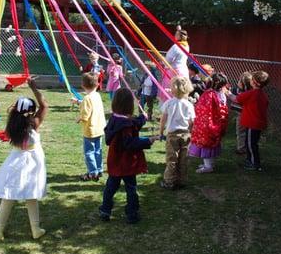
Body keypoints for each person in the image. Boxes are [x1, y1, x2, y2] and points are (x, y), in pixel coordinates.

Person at [0, 77, 48, 240]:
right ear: (31, 112)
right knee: (31, 195)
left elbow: (14, 112)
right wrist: (34, 87)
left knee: (9, 195)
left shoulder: (12, 126)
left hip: (16, 162)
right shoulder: (34, 123)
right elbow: (44, 105)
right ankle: (35, 229)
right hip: (34, 163)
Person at [99, 88, 157, 224]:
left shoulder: (114, 119)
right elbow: (129, 142)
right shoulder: (126, 125)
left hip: (115, 161)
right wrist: (147, 140)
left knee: (110, 187)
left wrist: (143, 118)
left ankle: (105, 210)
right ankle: (132, 214)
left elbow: (134, 122)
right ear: (129, 105)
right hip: (126, 162)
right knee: (131, 188)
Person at [188, 73, 230, 174]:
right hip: (218, 123)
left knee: (207, 144)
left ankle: (208, 166)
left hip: (208, 123)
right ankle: (210, 164)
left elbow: (203, 108)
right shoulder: (221, 94)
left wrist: (195, 107)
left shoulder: (209, 94)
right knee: (212, 144)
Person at [159, 77, 196, 190]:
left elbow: (163, 119)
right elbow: (192, 121)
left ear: (173, 89)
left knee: (172, 159)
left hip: (172, 135)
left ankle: (170, 181)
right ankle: (182, 180)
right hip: (185, 135)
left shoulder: (169, 103)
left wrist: (161, 131)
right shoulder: (189, 104)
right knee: (183, 159)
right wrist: (190, 131)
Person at [232, 71, 269, 171]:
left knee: (251, 144)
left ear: (254, 82)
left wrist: (227, 92)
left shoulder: (252, 93)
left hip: (253, 124)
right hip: (256, 123)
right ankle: (250, 160)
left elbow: (237, 99)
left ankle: (254, 164)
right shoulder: (262, 94)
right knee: (250, 143)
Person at [77, 73, 106, 181]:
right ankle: (99, 170)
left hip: (90, 130)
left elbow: (85, 116)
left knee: (89, 152)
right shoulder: (97, 95)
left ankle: (93, 173)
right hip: (99, 128)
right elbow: (92, 107)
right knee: (98, 150)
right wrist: (80, 102)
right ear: (97, 84)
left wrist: (78, 118)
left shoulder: (87, 98)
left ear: (83, 85)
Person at [230, 71, 253, 155]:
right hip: (242, 115)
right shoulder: (238, 90)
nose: (238, 81)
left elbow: (235, 97)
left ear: (245, 85)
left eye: (240, 81)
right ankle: (244, 146)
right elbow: (231, 89)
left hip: (243, 116)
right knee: (244, 132)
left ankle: (241, 148)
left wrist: (228, 93)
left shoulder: (245, 94)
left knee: (240, 132)